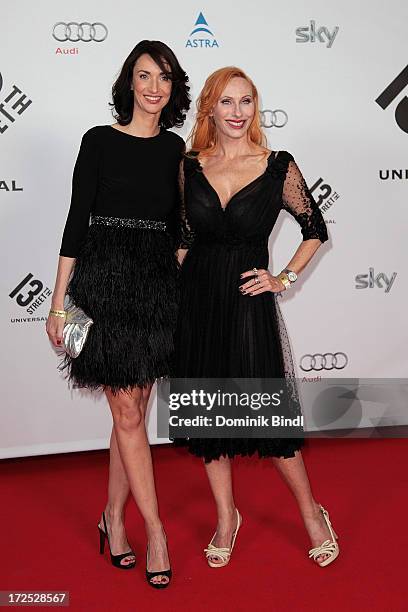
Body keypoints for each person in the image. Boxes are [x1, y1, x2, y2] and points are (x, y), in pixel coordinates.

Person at [174, 67, 339, 569]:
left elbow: (315, 227)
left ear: (255, 107)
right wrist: (188, 284)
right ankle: (227, 517)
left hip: (248, 303)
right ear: (209, 108)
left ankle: (312, 515)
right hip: (199, 302)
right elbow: (182, 237)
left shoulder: (276, 165)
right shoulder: (190, 165)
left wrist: (282, 279)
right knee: (209, 419)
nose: (238, 112)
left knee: (267, 420)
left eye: (246, 101)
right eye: (227, 102)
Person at [46, 40, 190, 588]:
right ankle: (155, 530)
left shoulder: (176, 149)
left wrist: (182, 293)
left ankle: (111, 517)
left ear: (173, 89)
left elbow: (180, 233)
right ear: (129, 82)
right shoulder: (99, 141)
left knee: (131, 411)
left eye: (165, 78)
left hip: (155, 287)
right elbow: (75, 222)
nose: (154, 87)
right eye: (144, 75)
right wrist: (59, 302)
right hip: (104, 285)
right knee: (128, 414)